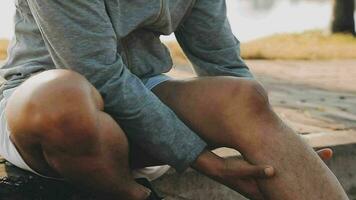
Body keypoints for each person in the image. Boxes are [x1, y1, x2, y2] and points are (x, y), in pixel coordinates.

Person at [0, 0, 348, 199]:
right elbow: (97, 73)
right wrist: (203, 159)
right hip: (44, 108)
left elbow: (221, 63)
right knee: (66, 99)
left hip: (141, 98)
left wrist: (284, 148)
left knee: (245, 96)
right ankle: (137, 196)